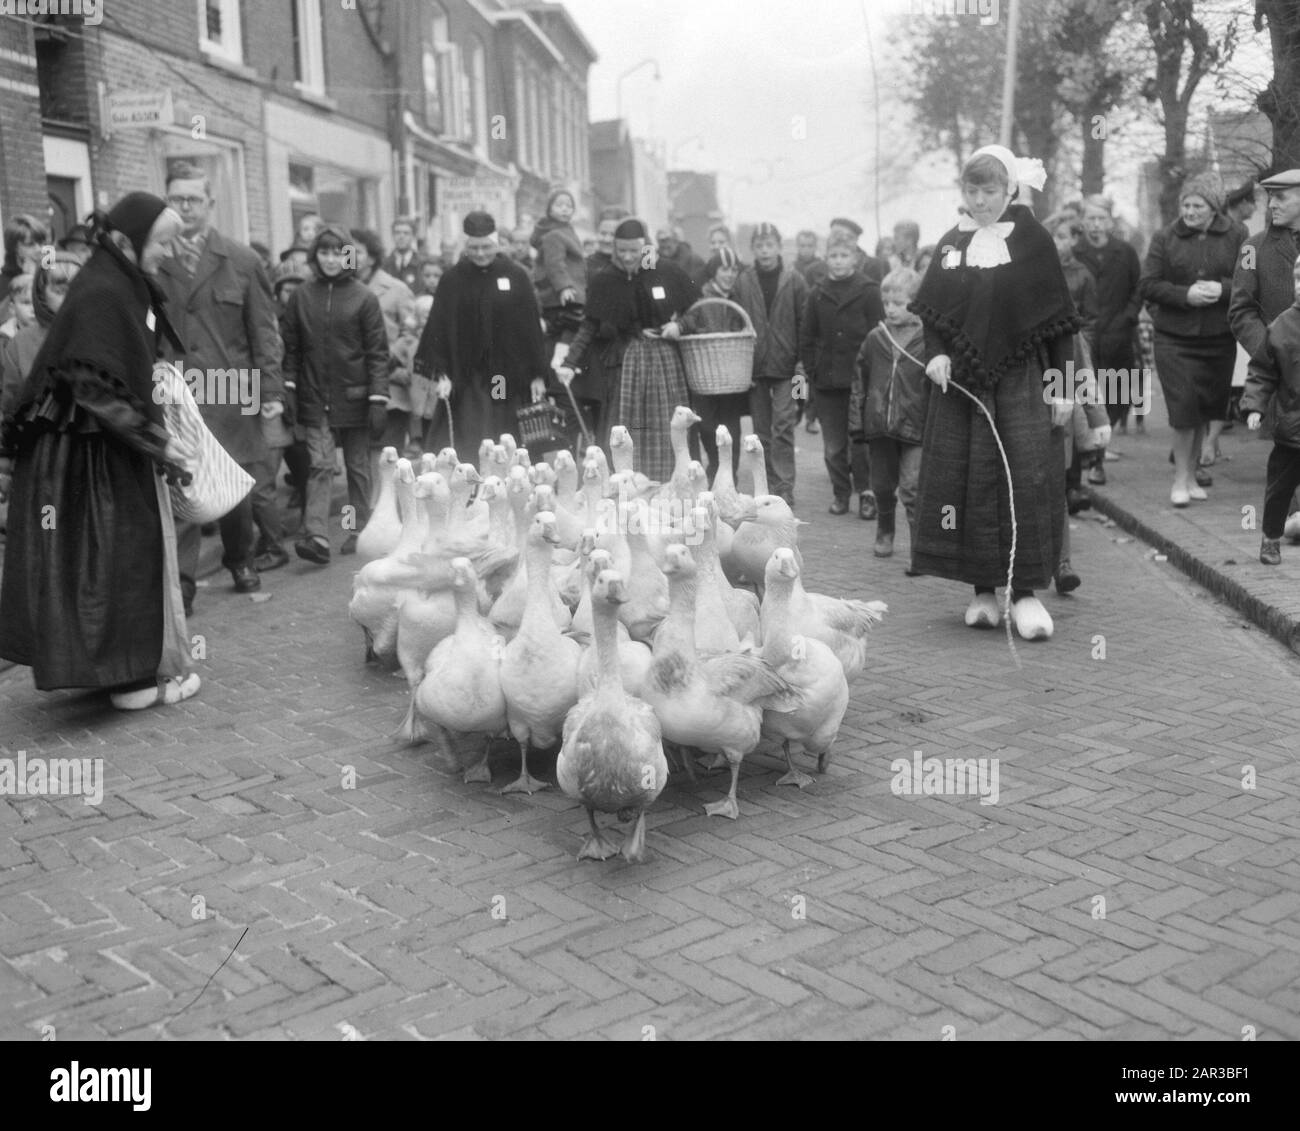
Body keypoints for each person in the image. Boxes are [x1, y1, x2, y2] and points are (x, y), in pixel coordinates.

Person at [0, 193, 199, 708]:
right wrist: (157, 441)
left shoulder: (117, 283)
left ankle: (121, 672)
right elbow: (96, 387)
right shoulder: (105, 291)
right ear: (125, 240)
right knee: (116, 555)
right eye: (160, 243)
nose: (166, 254)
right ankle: (129, 680)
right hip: (89, 453)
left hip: (98, 447)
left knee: (103, 559)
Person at [911, 144, 1078, 641]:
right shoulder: (949, 244)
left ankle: (1024, 594)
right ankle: (982, 591)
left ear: (1010, 190)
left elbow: (1060, 324)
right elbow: (935, 314)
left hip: (1022, 382)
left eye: (990, 191)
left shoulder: (1035, 243)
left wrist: (1064, 387)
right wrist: (937, 352)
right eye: (972, 190)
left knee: (1025, 480)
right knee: (969, 482)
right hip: (963, 388)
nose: (980, 201)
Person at [155, 166, 285, 606]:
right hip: (176, 390)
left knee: (233, 481)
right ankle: (185, 582)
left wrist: (270, 394)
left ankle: (241, 558)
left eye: (193, 199)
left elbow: (264, 334)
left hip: (232, 387)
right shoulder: (152, 261)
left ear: (210, 204)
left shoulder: (242, 260)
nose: (185, 207)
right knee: (183, 479)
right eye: (177, 199)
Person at [281, 223, 390, 565]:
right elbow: (292, 350)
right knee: (321, 465)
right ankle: (316, 536)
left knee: (357, 467)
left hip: (357, 397)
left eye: (337, 252)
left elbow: (377, 353)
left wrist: (378, 398)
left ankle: (354, 529)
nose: (330, 259)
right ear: (315, 256)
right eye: (324, 252)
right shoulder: (301, 296)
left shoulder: (364, 297)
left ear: (348, 255)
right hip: (315, 396)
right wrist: (289, 388)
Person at [559, 218, 699, 479]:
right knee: (627, 426)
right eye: (621, 251)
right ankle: (629, 484)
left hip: (666, 360)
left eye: (633, 251)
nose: (627, 257)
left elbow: (698, 312)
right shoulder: (606, 279)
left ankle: (673, 481)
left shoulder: (666, 271)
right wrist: (569, 363)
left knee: (667, 423)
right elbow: (589, 326)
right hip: (628, 362)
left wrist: (680, 325)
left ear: (645, 246)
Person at [1138, 172, 1245, 507]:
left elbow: (1250, 278)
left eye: (1198, 204)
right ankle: (1180, 479)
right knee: (1184, 410)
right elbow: (1148, 285)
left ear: (1214, 208)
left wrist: (1223, 289)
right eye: (1186, 204)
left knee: (1206, 408)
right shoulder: (1164, 237)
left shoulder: (1238, 235)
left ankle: (1192, 473)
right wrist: (1186, 295)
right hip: (1175, 340)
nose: (1190, 210)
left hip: (1218, 338)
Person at [413, 211, 549, 463]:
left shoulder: (515, 276)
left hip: (506, 375)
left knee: (504, 431)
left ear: (496, 243)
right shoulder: (452, 279)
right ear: (466, 246)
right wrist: (441, 373)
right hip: (467, 377)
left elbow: (530, 328)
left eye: (486, 247)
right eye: (473, 248)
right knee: (472, 436)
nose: (480, 254)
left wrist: (537, 374)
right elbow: (439, 328)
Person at [1231, 168, 1300, 540]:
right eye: (1269, 197)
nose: (1271, 204)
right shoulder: (1251, 250)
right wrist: (1270, 350)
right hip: (1283, 372)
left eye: (1282, 197)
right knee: (1289, 446)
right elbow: (1241, 311)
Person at [1047, 211, 1109, 589]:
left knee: (1056, 489)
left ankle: (1062, 563)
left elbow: (1082, 369)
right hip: (1024, 414)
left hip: (1061, 416)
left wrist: (1098, 418)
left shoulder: (1068, 325)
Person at [799, 237, 882, 518]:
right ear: (826, 259)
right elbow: (807, 336)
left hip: (861, 381)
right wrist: (812, 370)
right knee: (834, 446)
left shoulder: (869, 291)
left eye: (843, 255)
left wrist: (873, 372)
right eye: (832, 255)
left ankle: (867, 495)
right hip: (827, 382)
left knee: (861, 442)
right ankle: (841, 493)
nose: (837, 260)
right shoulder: (817, 294)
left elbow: (878, 333)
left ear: (855, 258)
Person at [851, 267, 929, 558]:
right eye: (887, 304)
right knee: (882, 486)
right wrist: (858, 424)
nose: (891, 309)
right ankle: (885, 530)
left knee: (912, 487)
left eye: (899, 303)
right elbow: (859, 381)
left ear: (916, 303)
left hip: (915, 427)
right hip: (880, 426)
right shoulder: (875, 338)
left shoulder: (928, 339)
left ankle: (918, 547)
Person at [733, 222, 808, 505]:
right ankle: (765, 485)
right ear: (753, 249)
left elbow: (804, 324)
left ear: (779, 247)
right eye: (759, 245)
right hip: (755, 367)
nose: (765, 251)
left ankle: (785, 485)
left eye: (770, 245)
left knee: (784, 427)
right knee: (761, 432)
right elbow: (737, 323)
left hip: (788, 368)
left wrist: (801, 364)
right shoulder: (744, 281)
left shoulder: (795, 280)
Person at [1242, 252, 1300, 564]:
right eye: (1298, 279)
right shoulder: (1281, 326)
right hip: (1291, 429)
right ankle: (1271, 538)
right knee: (1279, 489)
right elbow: (1262, 371)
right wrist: (1254, 406)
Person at [673, 245, 748, 479]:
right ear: (715, 271)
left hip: (731, 375)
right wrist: (680, 326)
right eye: (725, 269)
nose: (730, 274)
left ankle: (729, 475)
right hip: (705, 373)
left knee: (731, 426)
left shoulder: (739, 298)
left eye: (734, 269)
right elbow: (690, 318)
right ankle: (715, 465)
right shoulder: (701, 296)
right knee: (706, 426)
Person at [1075, 194, 1144, 441]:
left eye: (1101, 218)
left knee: (1118, 390)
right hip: (1085, 334)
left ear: (1110, 221)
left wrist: (1127, 317)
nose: (1096, 224)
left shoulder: (1124, 252)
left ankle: (1105, 439)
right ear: (1082, 221)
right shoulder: (1074, 253)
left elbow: (1139, 287)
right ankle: (1094, 453)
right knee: (1086, 390)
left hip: (1118, 333)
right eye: (1090, 218)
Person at [351, 228, 417, 463]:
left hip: (390, 384)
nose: (348, 257)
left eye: (356, 252)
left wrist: (388, 358)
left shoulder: (396, 289)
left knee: (388, 456)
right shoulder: (338, 292)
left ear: (371, 257)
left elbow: (411, 331)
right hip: (353, 386)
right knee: (360, 455)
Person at [0, 254, 81, 442]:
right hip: (36, 447)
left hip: (85, 450)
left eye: (76, 289)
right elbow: (10, 403)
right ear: (41, 293)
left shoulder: (95, 334)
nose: (70, 298)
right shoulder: (21, 343)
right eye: (61, 291)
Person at [531, 188, 588, 357]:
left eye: (569, 206)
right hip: (565, 291)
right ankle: (561, 352)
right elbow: (554, 263)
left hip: (573, 286)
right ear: (549, 209)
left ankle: (553, 336)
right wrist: (564, 287)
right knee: (574, 322)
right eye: (559, 205)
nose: (565, 209)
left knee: (570, 323)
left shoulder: (566, 230)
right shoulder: (554, 235)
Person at [1, 214, 48, 324]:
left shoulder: (49, 275)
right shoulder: (3, 284)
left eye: (41, 243)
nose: (39, 249)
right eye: (30, 244)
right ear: (14, 248)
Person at [829, 217, 886, 283]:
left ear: (855, 240)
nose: (838, 240)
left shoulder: (877, 266)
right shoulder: (817, 269)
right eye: (834, 235)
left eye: (849, 237)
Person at [383, 217, 427, 295]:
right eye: (397, 233)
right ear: (392, 235)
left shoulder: (423, 264)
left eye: (406, 233)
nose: (401, 237)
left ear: (413, 236)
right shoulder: (384, 264)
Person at [588, 206, 628, 279]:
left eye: (613, 235)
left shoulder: (634, 267)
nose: (607, 240)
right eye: (603, 233)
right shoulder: (585, 266)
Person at [0, 274, 34, 339]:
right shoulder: (4, 338)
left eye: (37, 303)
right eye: (26, 303)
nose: (33, 309)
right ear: (12, 308)